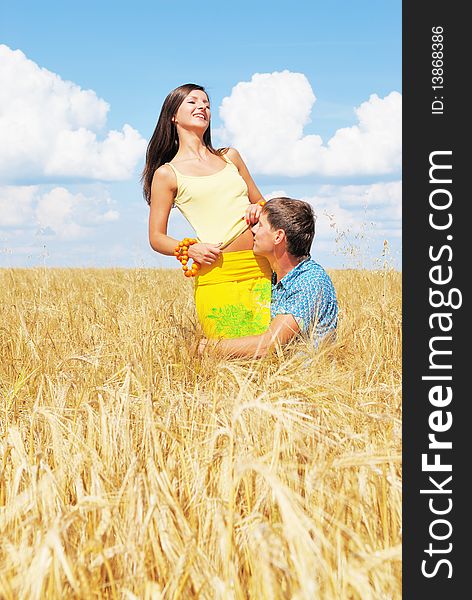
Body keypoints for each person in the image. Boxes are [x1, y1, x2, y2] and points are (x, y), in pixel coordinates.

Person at [142, 83, 271, 339]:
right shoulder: (167, 174)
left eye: (207, 104)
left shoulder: (230, 157)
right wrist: (190, 249)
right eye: (192, 102)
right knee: (230, 353)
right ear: (173, 116)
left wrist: (257, 210)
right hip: (218, 272)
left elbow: (263, 203)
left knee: (271, 351)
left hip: (262, 266)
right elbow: (156, 238)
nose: (202, 106)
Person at [199, 197, 338, 358]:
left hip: (306, 379)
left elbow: (269, 345)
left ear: (278, 237)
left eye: (260, 225)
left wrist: (207, 347)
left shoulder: (310, 281)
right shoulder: (272, 277)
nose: (253, 230)